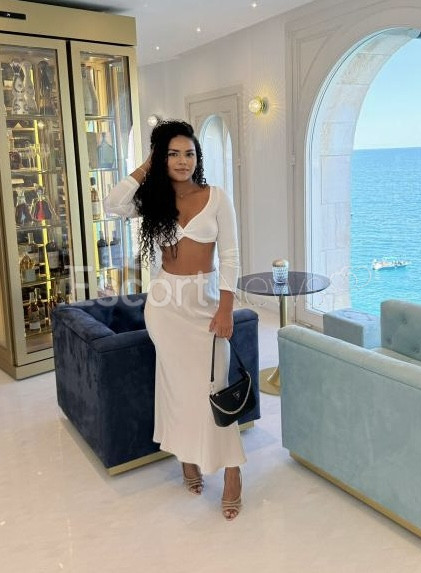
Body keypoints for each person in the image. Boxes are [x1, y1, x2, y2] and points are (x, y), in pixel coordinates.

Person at [104, 120, 245, 520]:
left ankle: (232, 472)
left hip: (206, 303)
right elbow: (112, 203)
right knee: (177, 390)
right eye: (173, 153)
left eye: (189, 154)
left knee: (215, 386)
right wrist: (148, 165)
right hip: (166, 306)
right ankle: (187, 457)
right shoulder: (154, 200)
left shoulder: (217, 198)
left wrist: (226, 308)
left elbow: (231, 257)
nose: (183, 161)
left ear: (199, 158)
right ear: (161, 157)